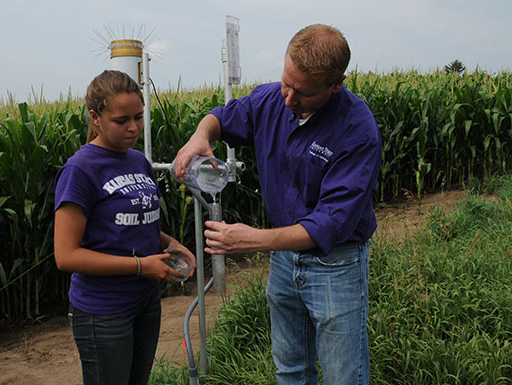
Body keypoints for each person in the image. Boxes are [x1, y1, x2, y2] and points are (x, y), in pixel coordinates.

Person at [173, 24, 381, 385]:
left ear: (337, 84)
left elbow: (330, 223)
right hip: (284, 262)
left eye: (303, 92)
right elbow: (223, 116)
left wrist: (253, 240)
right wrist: (199, 136)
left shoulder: (357, 131)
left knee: (342, 376)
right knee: (291, 371)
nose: (288, 99)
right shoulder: (272, 100)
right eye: (286, 83)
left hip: (335, 265)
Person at [54, 69, 195, 385]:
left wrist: (169, 243)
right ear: (95, 117)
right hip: (104, 311)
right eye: (122, 120)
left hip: (145, 301)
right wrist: (140, 266)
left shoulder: (138, 161)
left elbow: (131, 223)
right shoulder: (80, 170)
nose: (134, 127)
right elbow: (66, 256)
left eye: (139, 117)